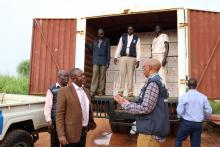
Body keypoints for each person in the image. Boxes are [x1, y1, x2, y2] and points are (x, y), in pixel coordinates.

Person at [114, 58, 170, 147]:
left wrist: (125, 104)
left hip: (149, 133)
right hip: (152, 130)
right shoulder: (158, 81)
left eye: (144, 67)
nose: (143, 69)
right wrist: (126, 101)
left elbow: (146, 108)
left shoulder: (153, 83)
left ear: (149, 67)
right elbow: (147, 104)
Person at [56, 68, 96, 147]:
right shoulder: (64, 91)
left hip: (83, 131)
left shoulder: (86, 91)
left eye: (84, 75)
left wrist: (89, 124)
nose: (84, 77)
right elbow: (59, 115)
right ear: (74, 79)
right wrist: (61, 135)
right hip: (69, 135)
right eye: (81, 75)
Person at [175, 78, 212, 147]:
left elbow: (179, 111)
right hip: (198, 124)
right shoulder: (203, 97)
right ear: (196, 85)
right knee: (196, 144)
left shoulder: (184, 96)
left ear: (188, 85)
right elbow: (209, 111)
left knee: (179, 139)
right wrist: (204, 117)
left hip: (186, 123)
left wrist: (181, 117)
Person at [44, 70, 69, 147]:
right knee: (55, 143)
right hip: (55, 121)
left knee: (66, 142)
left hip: (67, 120)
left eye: (67, 76)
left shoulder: (70, 89)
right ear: (58, 77)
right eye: (64, 76)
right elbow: (48, 106)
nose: (67, 78)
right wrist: (48, 120)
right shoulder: (52, 89)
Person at [114, 25, 141, 97]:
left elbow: (138, 49)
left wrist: (138, 60)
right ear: (127, 30)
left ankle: (130, 92)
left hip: (132, 58)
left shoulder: (137, 38)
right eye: (129, 29)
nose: (130, 30)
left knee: (130, 75)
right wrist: (116, 57)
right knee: (122, 74)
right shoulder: (123, 37)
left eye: (131, 29)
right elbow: (119, 46)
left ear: (133, 30)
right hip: (123, 57)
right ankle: (120, 92)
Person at [89, 28, 110, 96]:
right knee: (95, 75)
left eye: (103, 33)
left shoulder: (107, 40)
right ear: (98, 34)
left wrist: (108, 62)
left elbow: (108, 52)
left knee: (102, 77)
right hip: (96, 61)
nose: (102, 35)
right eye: (100, 34)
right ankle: (92, 91)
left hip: (103, 61)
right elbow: (91, 49)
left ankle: (100, 91)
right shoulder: (95, 40)